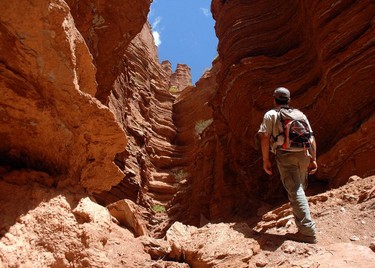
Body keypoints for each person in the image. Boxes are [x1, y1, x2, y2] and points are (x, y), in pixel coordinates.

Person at [258, 87, 318, 244]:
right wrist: (314, 159)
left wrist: (266, 160)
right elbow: (311, 138)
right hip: (304, 154)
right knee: (300, 188)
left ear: (274, 99)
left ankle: (307, 232)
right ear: (289, 100)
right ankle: (303, 223)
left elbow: (264, 136)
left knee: (295, 190)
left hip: (286, 154)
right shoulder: (300, 114)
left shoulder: (271, 114)